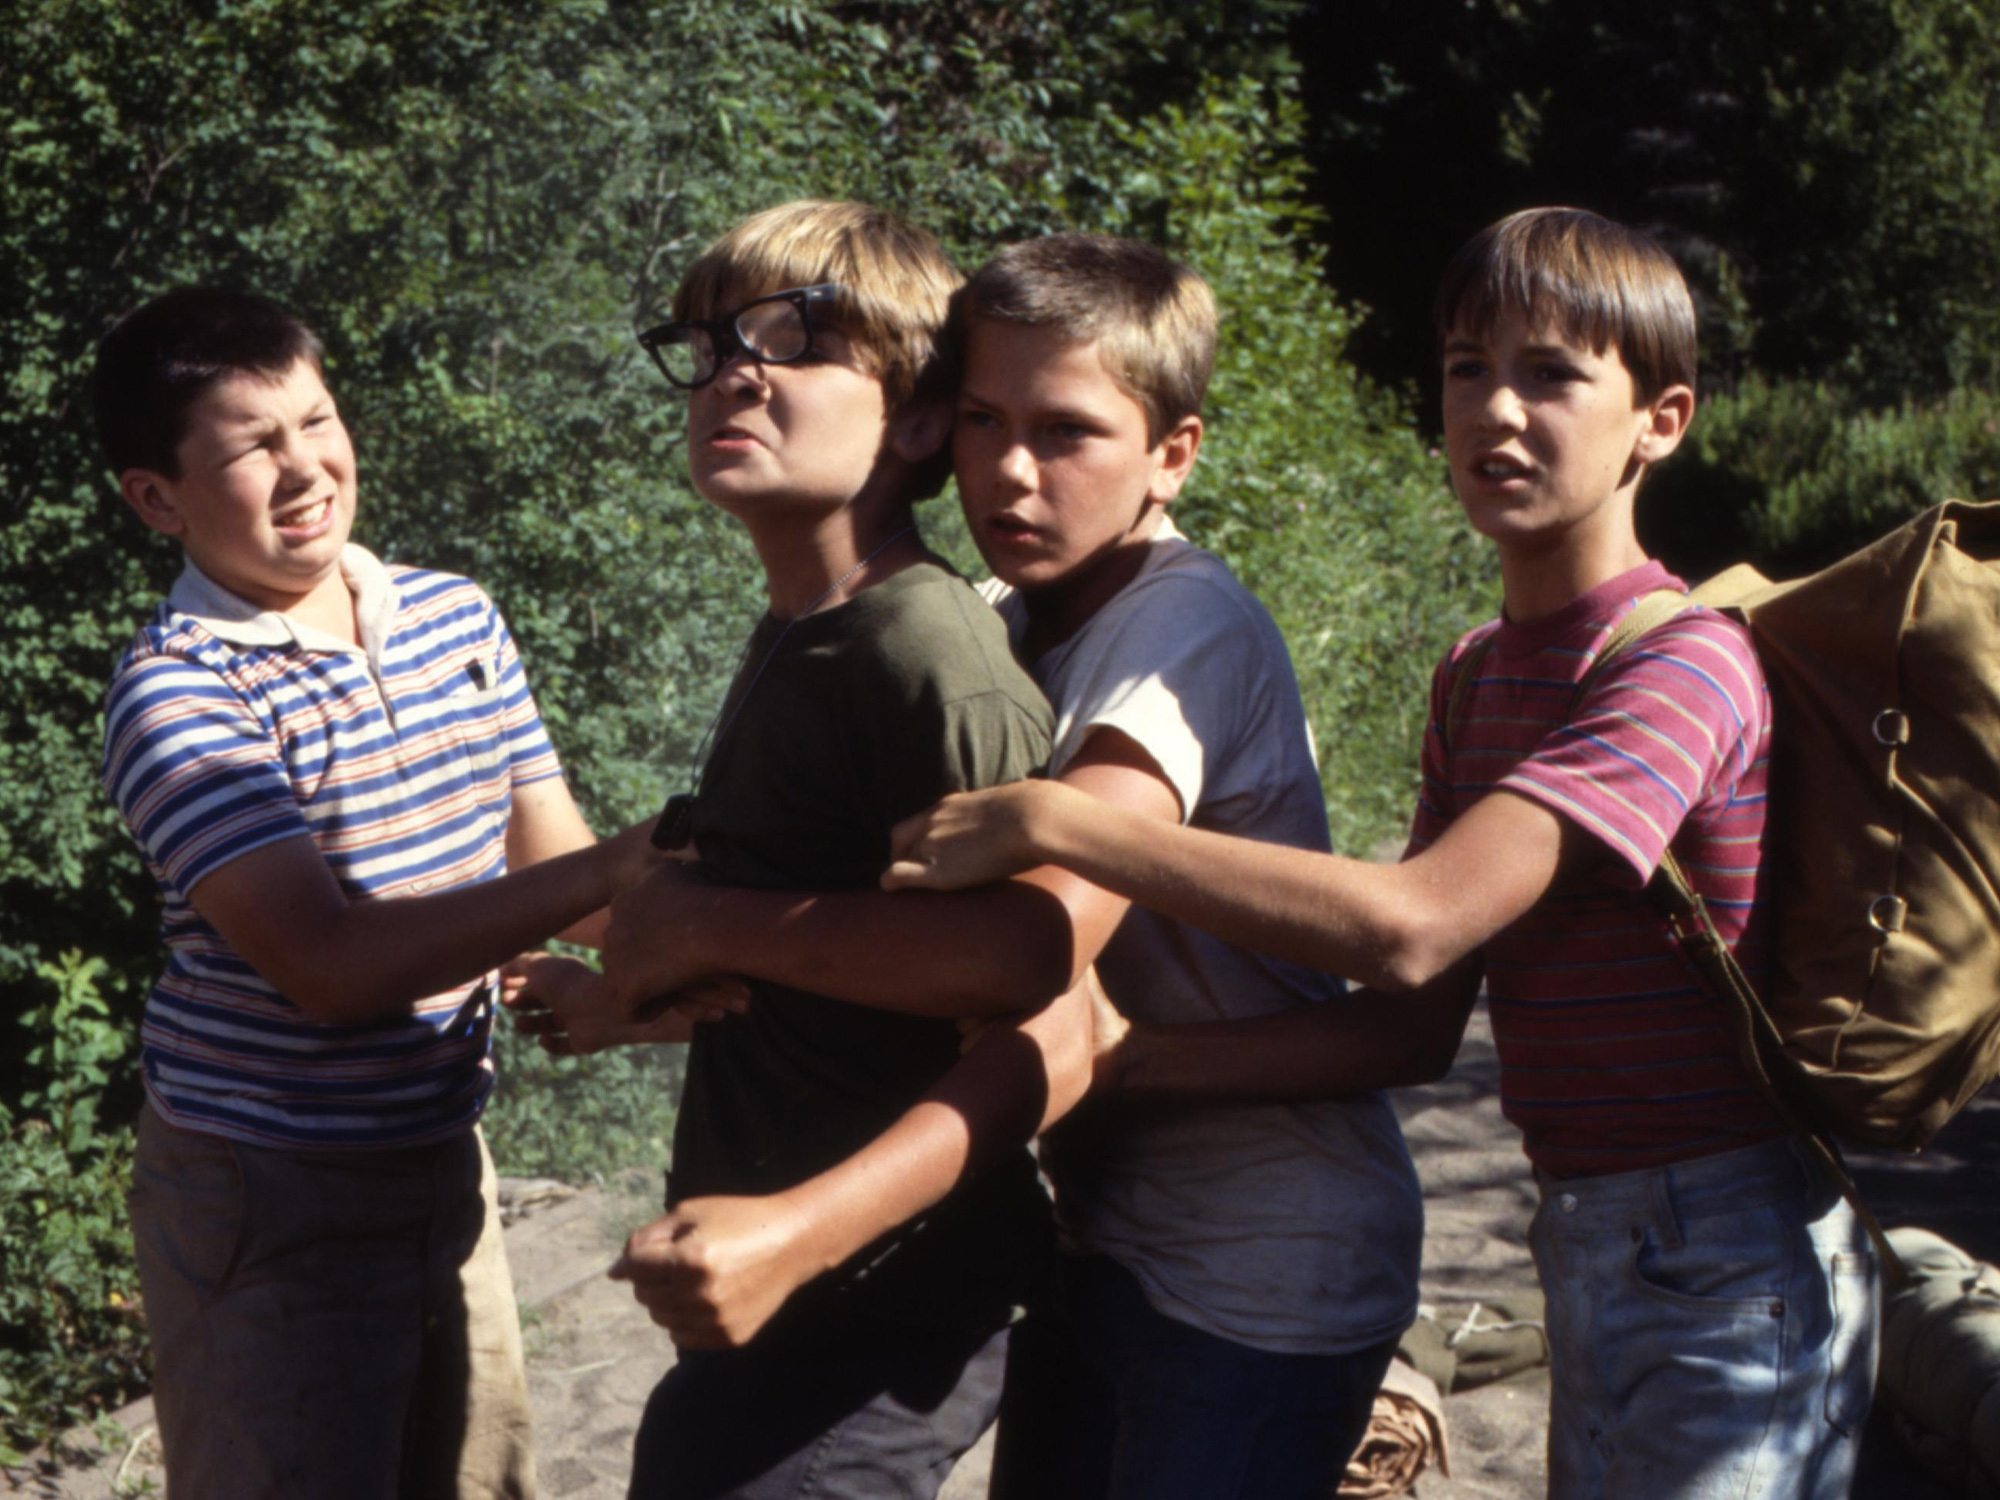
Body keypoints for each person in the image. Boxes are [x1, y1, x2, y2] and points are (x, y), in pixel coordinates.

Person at [884, 208, 1882, 1500]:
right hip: (1579, 1233)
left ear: (1662, 420)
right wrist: (1127, 1066)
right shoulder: (1479, 673)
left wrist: (1066, 822)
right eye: (1468, 368)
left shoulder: (1685, 665)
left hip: (1731, 1252)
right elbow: (1409, 1032)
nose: (1496, 412)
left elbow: (1413, 925)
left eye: (1552, 373)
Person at [579, 233, 1423, 1500]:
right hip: (1106, 1228)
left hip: (1255, 1255)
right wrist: (654, 976)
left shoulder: (1173, 623)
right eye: (982, 419)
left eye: (1066, 432)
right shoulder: (1013, 614)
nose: (1011, 471)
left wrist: (705, 921)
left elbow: (1036, 943)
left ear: (1172, 456)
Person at [508, 199, 1086, 1500]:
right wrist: (626, 1001)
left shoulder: (920, 653)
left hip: (886, 1291)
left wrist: (694, 928)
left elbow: (1013, 985)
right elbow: (847, 965)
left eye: (797, 339)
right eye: (712, 346)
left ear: (924, 420)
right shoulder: (800, 630)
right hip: (778, 1289)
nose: (736, 372)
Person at [94, 287, 665, 1499]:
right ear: (157, 498)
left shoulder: (453, 615)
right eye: (252, 446)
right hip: (264, 1187)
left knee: (478, 1478)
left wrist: (706, 957)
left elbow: (557, 871)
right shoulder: (177, 697)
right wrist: (616, 867)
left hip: (440, 1147)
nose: (305, 467)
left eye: (316, 418)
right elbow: (332, 966)